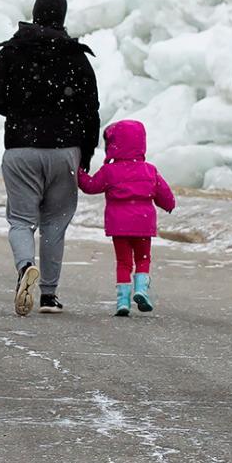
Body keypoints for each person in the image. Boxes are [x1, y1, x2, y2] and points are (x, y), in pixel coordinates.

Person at [0, 0, 101, 316]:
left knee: (20, 220)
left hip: (21, 148)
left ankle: (24, 268)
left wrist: (18, 113)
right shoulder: (75, 57)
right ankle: (48, 295)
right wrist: (85, 155)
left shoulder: (14, 51)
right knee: (55, 223)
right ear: (62, 16)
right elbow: (92, 110)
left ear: (34, 13)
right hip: (64, 150)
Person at [77, 119, 176, 316]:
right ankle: (141, 290)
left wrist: (77, 172)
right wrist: (169, 205)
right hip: (143, 222)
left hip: (119, 225)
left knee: (123, 262)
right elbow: (165, 196)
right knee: (143, 258)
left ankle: (123, 301)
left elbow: (91, 187)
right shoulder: (149, 170)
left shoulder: (109, 171)